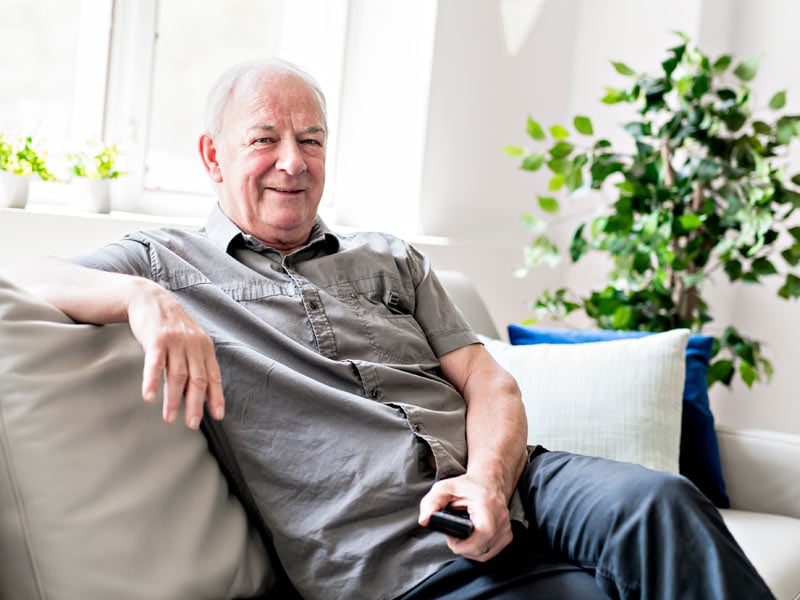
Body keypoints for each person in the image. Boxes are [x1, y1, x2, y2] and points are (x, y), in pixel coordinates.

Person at [2, 58, 774, 600]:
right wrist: (143, 299)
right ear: (211, 156)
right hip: (396, 548)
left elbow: (489, 380)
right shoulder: (166, 260)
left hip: (517, 478)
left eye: (310, 139)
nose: (292, 162)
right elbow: (24, 272)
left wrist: (489, 479)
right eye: (264, 138)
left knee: (662, 502)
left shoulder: (390, 257)